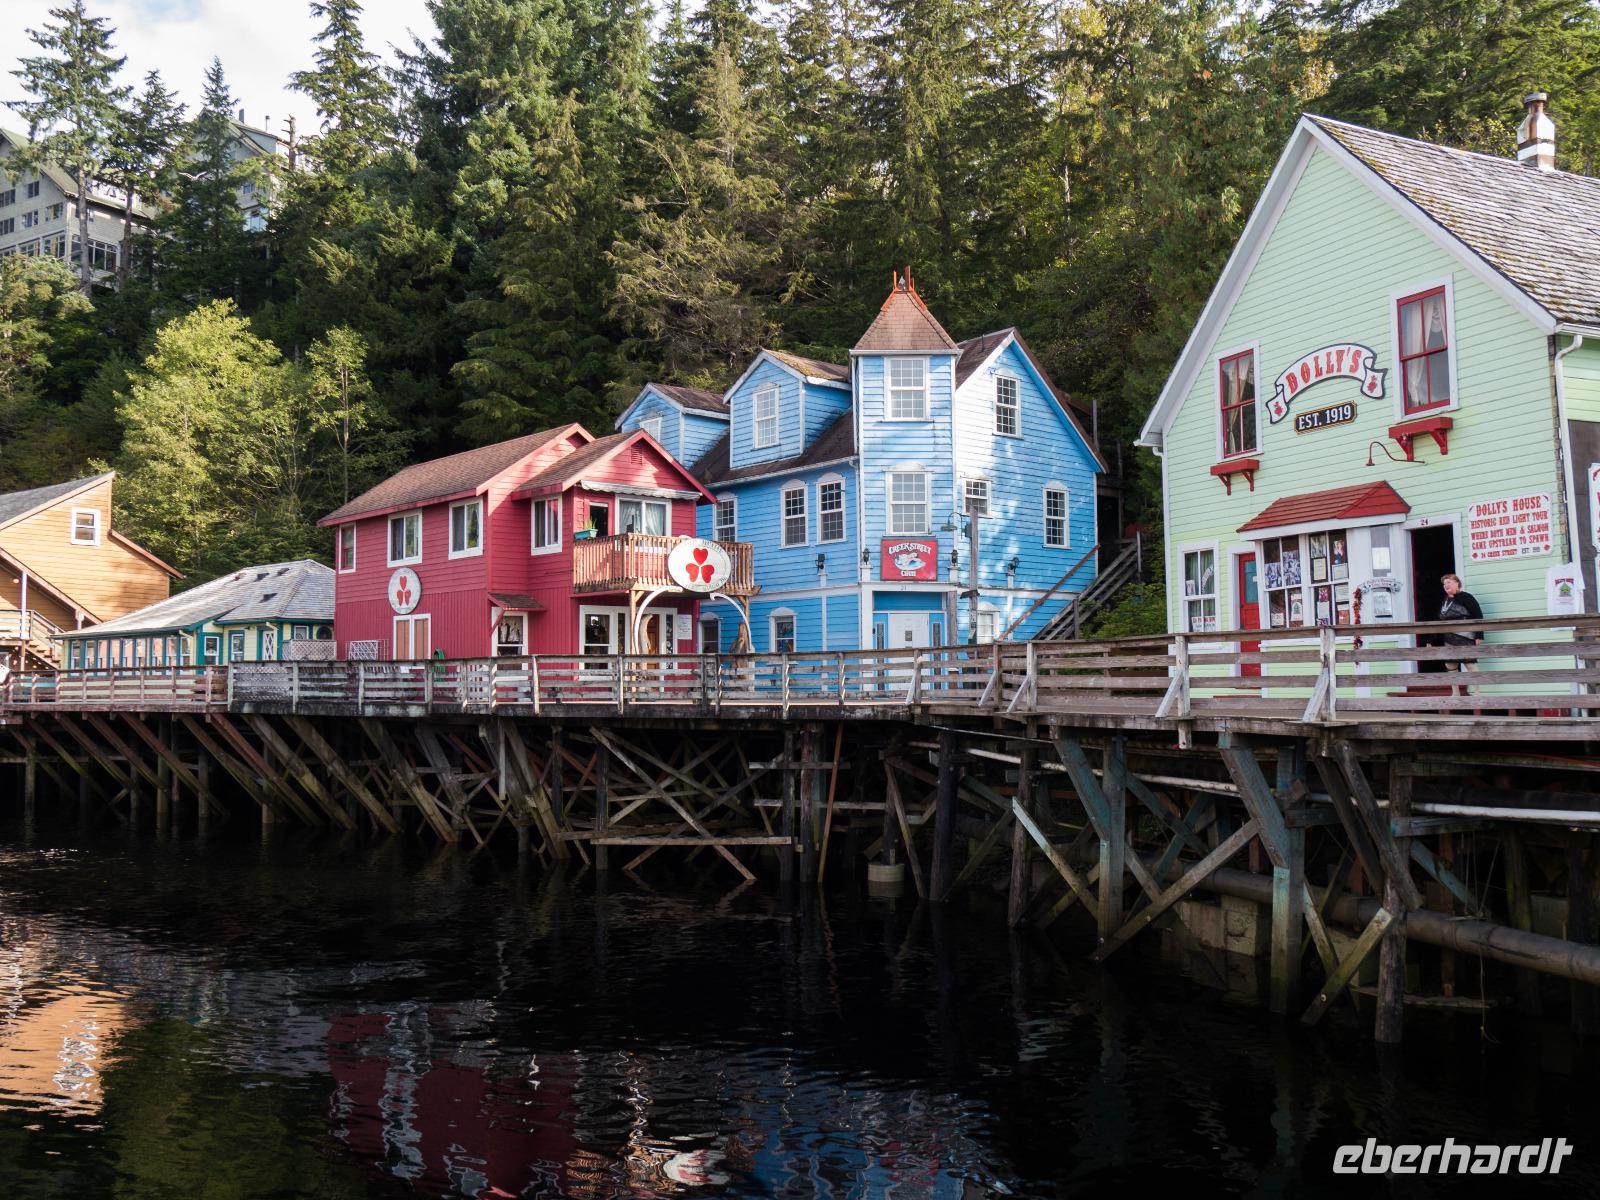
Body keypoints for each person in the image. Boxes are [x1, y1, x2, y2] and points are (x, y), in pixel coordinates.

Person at [1437, 574, 1483, 695]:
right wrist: (1432, 640)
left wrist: (1479, 635)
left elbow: (1478, 616)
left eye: (1449, 582)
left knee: (1470, 665)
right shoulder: (1445, 601)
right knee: (1450, 665)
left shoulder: (1467, 597)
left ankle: (1478, 693)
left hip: (1465, 636)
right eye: (1444, 584)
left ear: (1457, 583)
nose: (1446, 585)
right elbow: (1439, 621)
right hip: (1449, 637)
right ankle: (1455, 693)